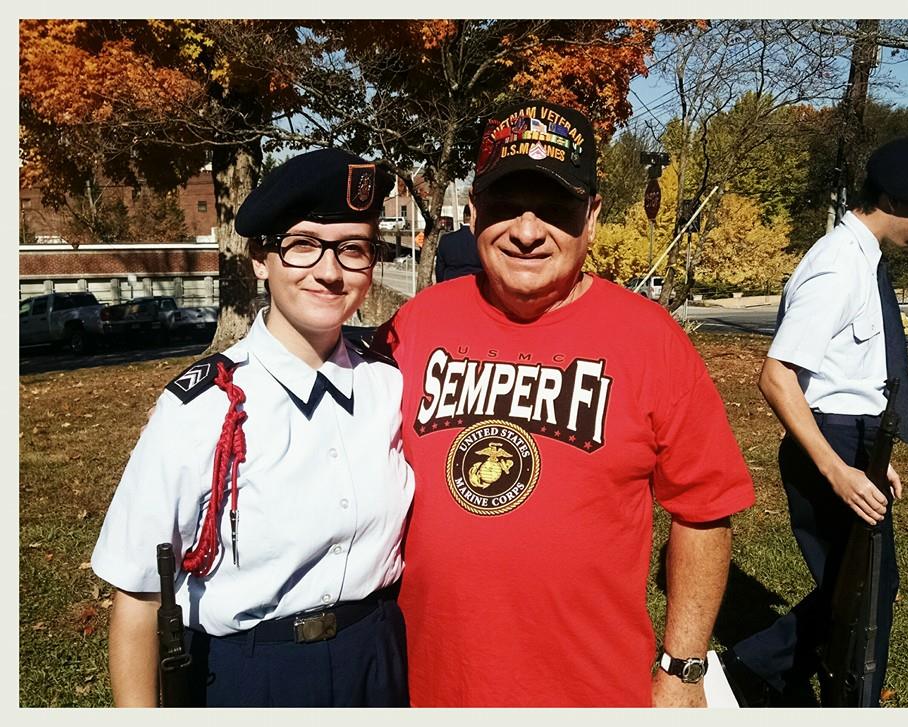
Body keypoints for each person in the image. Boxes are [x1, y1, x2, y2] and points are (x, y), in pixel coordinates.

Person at [374, 99, 756, 707]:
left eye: (555, 208)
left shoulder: (651, 340)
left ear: (593, 216)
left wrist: (683, 669)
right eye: (505, 205)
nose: (527, 232)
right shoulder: (414, 327)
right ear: (473, 213)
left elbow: (705, 510)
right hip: (430, 685)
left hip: (591, 690)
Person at [91, 149, 415, 707]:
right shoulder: (201, 409)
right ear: (260, 258)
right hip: (254, 674)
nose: (330, 271)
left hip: (378, 660)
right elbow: (138, 595)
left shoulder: (390, 385)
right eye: (304, 245)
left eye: (352, 249)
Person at [721, 138, 908, 707]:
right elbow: (776, 376)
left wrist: (874, 455)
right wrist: (839, 470)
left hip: (854, 438)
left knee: (861, 587)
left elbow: (852, 372)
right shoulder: (838, 267)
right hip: (829, 443)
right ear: (892, 200)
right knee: (864, 591)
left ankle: (784, 679)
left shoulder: (862, 259)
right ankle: (753, 675)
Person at [434, 206, 482, 281]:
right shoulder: (482, 240)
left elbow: (439, 270)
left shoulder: (446, 240)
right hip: (477, 285)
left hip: (451, 285)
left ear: (464, 216)